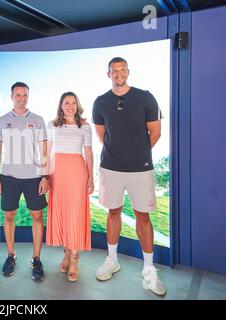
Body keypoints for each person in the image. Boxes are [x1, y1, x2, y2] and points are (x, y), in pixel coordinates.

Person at [92, 57, 166, 296]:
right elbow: (103, 136)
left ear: (128, 72)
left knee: (142, 217)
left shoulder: (145, 97)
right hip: (110, 168)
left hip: (140, 168)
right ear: (108, 74)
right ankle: (112, 260)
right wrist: (120, 155)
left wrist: (137, 154)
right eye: (114, 70)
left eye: (122, 69)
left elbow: (155, 133)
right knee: (113, 212)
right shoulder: (100, 102)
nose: (119, 73)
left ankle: (149, 269)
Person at [0, 82, 49, 281]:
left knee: (37, 217)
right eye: (18, 95)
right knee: (9, 217)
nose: (22, 98)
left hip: (34, 177)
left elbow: (44, 151)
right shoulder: (2, 121)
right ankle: (11, 255)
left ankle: (36, 259)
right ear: (11, 96)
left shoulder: (38, 120)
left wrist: (45, 176)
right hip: (9, 177)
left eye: (25, 95)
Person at [46, 92, 93, 282]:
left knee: (74, 213)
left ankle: (74, 258)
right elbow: (46, 151)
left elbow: (88, 152)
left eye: (74, 103)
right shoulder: (52, 125)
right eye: (67, 103)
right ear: (61, 105)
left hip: (77, 172)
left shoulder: (85, 126)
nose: (71, 106)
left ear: (77, 105)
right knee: (63, 213)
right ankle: (66, 252)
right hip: (57, 172)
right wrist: (45, 175)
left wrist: (91, 178)